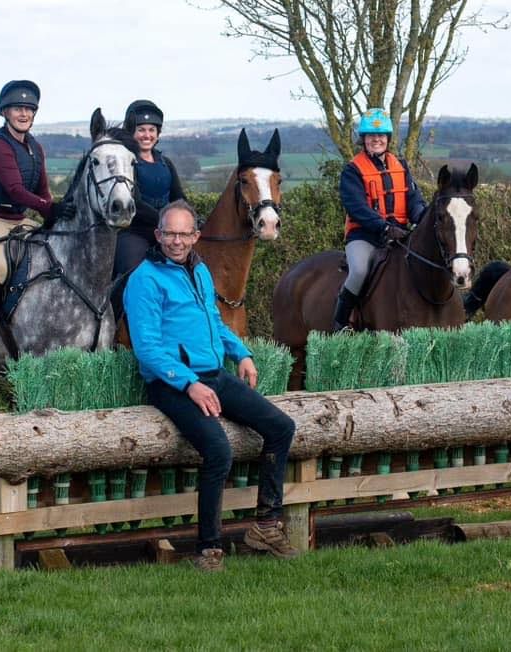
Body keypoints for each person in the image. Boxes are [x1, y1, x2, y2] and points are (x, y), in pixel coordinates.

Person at [124, 199, 298, 572]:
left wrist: (242, 353)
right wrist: (189, 385)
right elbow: (148, 350)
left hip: (215, 375)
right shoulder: (144, 279)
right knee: (219, 449)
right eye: (169, 233)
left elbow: (216, 325)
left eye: (184, 234)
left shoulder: (200, 271)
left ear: (196, 236)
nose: (176, 241)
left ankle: (266, 526)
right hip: (173, 384)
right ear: (158, 235)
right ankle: (208, 549)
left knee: (282, 428)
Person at [0, 80, 74, 359]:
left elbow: (42, 191)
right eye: (17, 109)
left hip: (16, 219)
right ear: (4, 113)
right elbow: (14, 190)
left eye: (28, 109)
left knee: (54, 253)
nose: (23, 114)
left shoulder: (35, 148)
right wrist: (49, 209)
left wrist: (53, 216)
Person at [333, 107, 428, 331]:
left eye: (381, 135)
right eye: (371, 136)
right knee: (359, 271)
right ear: (363, 139)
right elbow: (357, 207)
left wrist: (423, 216)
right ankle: (341, 323)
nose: (377, 139)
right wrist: (383, 227)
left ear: (388, 138)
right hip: (365, 236)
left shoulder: (401, 166)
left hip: (401, 234)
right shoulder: (352, 170)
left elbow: (413, 198)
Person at [112, 99, 187, 279]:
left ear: (158, 134)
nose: (147, 135)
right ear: (132, 133)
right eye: (141, 130)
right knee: (134, 272)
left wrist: (191, 219)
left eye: (151, 130)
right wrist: (166, 222)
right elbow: (134, 203)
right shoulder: (127, 164)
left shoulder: (166, 163)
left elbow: (179, 197)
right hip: (135, 233)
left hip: (167, 231)